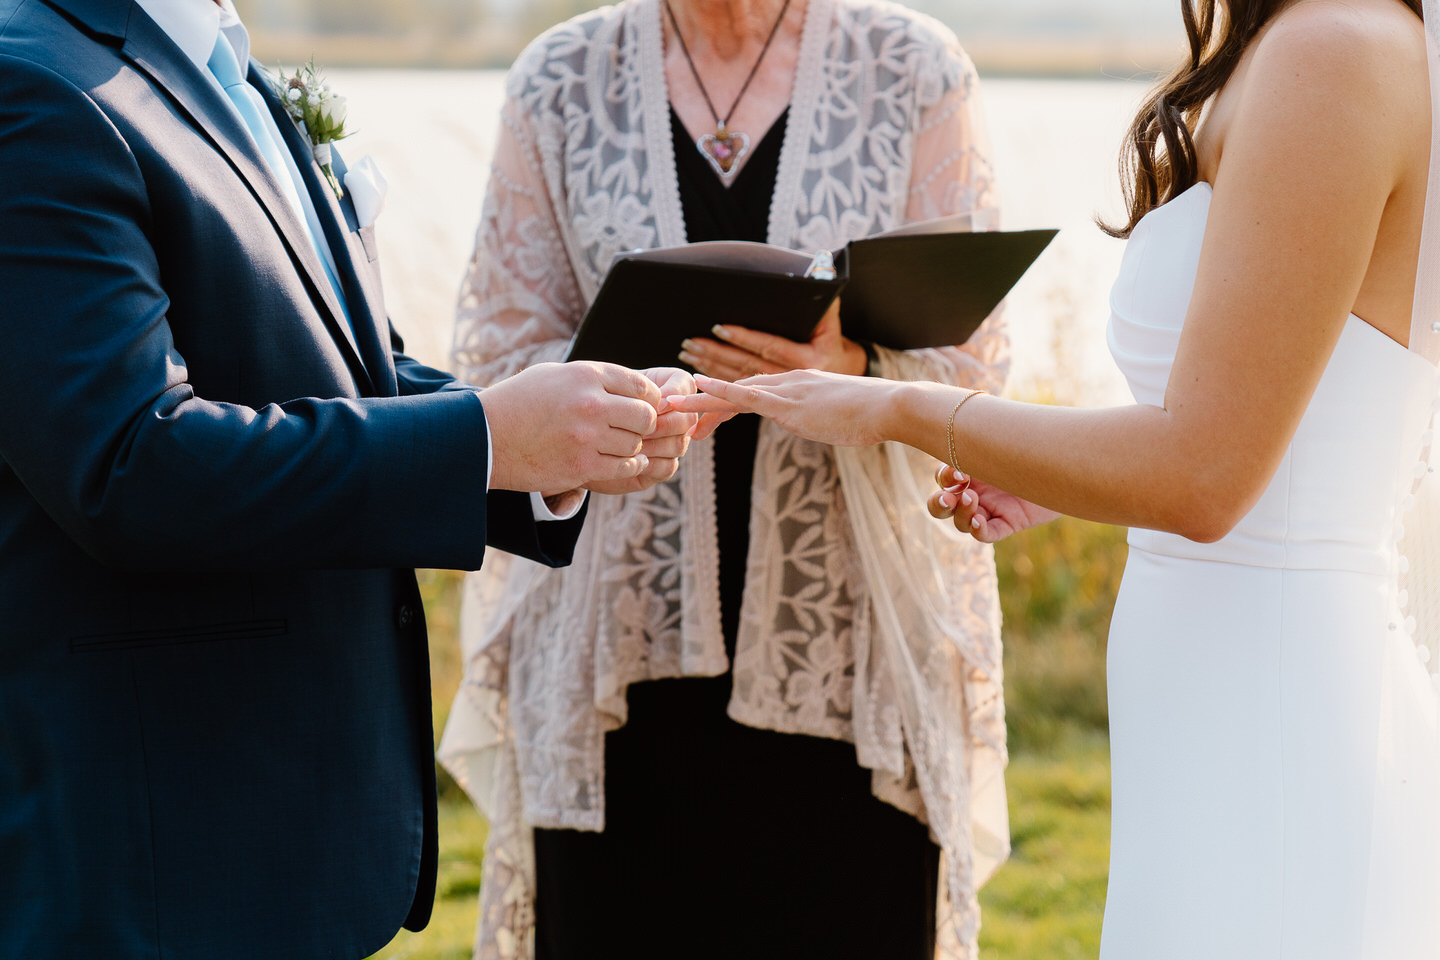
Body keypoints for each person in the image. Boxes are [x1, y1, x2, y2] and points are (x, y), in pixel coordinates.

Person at [675, 0, 1440, 955]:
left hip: (1278, 716)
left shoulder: (1335, 50)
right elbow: (1288, 427)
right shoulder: (1292, 45)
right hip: (1217, 703)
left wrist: (900, 409)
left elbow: (1206, 478)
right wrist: (1051, 469)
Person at [0, 0, 697, 956]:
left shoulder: (218, 61)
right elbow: (130, 463)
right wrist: (488, 438)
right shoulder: (33, 83)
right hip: (154, 852)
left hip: (290, 827)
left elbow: (347, 372)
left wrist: (556, 439)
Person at [437, 0, 1009, 956]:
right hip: (612, 654)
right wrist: (619, 390)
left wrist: (856, 372)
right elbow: (494, 348)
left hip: (849, 655)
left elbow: (979, 372)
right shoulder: (559, 77)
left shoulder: (914, 67)